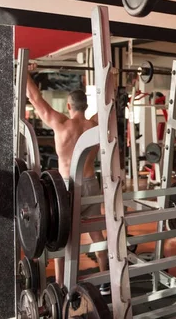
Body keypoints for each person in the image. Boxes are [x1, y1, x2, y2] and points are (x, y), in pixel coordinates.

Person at [26, 63, 110, 296]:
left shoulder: (61, 123)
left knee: (63, 237)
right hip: (91, 183)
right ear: (86, 105)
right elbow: (109, 102)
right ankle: (105, 282)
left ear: (69, 105)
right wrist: (109, 76)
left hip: (66, 187)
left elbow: (34, 97)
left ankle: (63, 285)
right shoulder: (94, 124)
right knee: (97, 234)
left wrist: (25, 72)